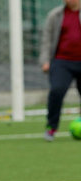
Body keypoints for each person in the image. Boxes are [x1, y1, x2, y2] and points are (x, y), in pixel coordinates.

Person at [39, 0, 81, 142]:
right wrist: (45, 60)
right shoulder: (55, 15)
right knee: (57, 90)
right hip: (62, 61)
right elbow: (47, 39)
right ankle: (51, 127)